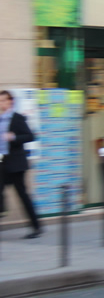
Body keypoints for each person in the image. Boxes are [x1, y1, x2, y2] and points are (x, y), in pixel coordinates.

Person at [0, 90, 42, 238]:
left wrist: (14, 137)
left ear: (10, 101)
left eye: (4, 100)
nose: (2, 103)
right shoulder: (0, 119)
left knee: (22, 195)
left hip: (16, 163)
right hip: (3, 162)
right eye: (0, 101)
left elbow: (30, 136)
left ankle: (36, 226)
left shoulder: (17, 118)